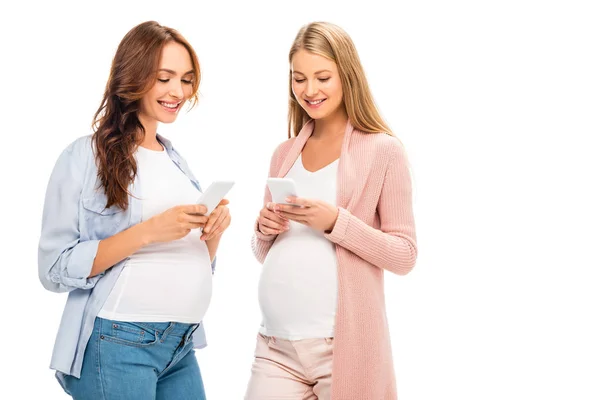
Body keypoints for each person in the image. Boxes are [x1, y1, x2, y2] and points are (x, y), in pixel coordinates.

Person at [38, 21, 230, 400]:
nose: (179, 91)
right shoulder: (85, 156)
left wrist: (215, 233)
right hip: (118, 342)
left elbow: (190, 260)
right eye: (165, 78)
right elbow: (54, 268)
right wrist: (148, 231)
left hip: (181, 343)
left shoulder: (176, 162)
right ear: (135, 75)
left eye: (187, 80)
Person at [245, 22, 418, 400]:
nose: (309, 90)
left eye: (322, 77)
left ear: (347, 75)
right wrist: (264, 229)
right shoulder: (283, 153)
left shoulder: (383, 150)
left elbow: (405, 255)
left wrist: (336, 223)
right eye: (299, 78)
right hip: (276, 346)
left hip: (341, 346)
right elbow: (264, 252)